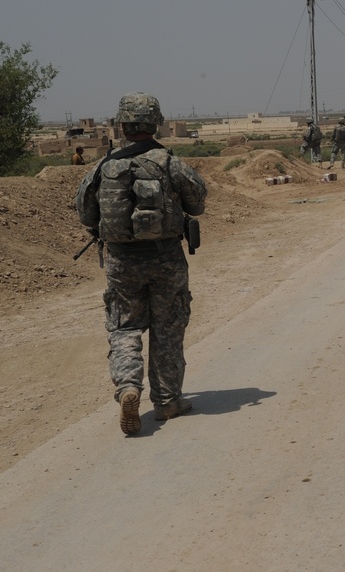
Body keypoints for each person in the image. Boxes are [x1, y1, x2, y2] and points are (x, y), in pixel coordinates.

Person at [74, 92, 208, 436]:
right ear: (155, 124)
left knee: (124, 327)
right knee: (168, 327)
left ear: (122, 125)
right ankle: (166, 401)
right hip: (166, 259)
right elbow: (198, 204)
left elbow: (85, 212)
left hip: (122, 262)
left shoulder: (104, 167)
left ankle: (129, 387)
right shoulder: (169, 163)